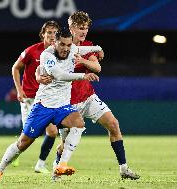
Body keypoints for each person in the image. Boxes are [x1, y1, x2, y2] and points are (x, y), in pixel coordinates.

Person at [0, 28, 102, 184]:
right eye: (62, 44)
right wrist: (83, 75)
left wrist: (98, 48)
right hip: (43, 107)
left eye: (69, 45)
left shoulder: (72, 49)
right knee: (23, 143)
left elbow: (82, 49)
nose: (66, 48)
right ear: (55, 43)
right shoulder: (46, 55)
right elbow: (59, 75)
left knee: (79, 124)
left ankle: (61, 165)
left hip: (62, 107)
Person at [52, 11, 140, 180]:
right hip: (67, 102)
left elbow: (97, 67)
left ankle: (124, 169)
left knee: (114, 124)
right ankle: (57, 168)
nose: (83, 32)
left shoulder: (88, 46)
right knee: (65, 143)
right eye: (80, 28)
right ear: (71, 28)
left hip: (88, 97)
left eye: (85, 28)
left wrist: (82, 61)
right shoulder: (60, 49)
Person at [11, 21, 60, 173]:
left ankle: (40, 164)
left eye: (55, 33)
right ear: (43, 34)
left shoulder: (58, 53)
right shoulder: (32, 51)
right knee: (30, 135)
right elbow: (15, 68)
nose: (52, 36)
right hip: (30, 98)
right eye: (49, 32)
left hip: (47, 99)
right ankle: (15, 152)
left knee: (52, 132)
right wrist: (19, 90)